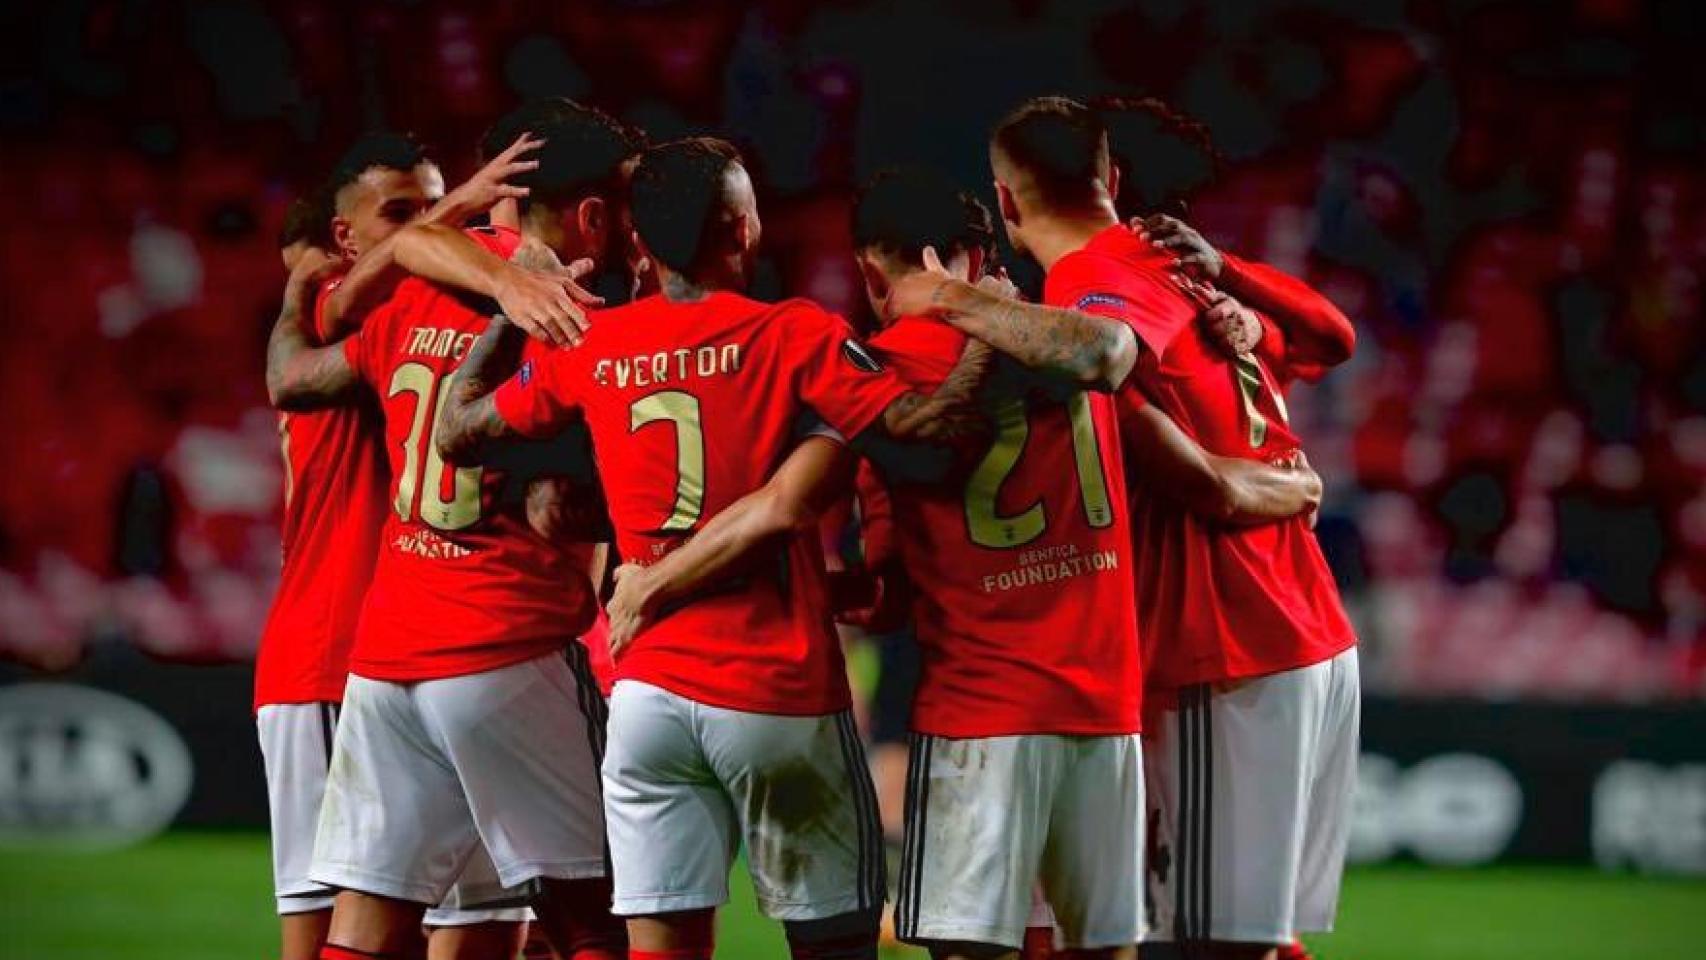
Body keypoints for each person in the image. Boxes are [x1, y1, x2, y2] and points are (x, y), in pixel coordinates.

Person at [433, 138, 978, 960]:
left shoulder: (596, 343)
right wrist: (987, 329)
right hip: (775, 687)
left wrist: (515, 307)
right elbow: (920, 439)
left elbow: (456, 431)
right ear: (743, 231)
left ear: (640, 246)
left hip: (647, 693)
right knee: (836, 941)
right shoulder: (795, 334)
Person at [897, 95, 1349, 960]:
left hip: (1233, 631)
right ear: (1111, 177)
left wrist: (957, 302)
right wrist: (1238, 284)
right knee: (1219, 929)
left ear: (1005, 199)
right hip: (1289, 618)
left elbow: (1106, 358)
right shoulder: (1184, 266)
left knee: (1209, 937)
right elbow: (1331, 337)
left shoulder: (1093, 282)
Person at [263, 101, 643, 960]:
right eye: (624, 206)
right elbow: (566, 505)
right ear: (591, 214)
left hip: (388, 658)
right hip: (506, 643)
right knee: (597, 920)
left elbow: (297, 374)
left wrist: (295, 302)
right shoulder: (577, 319)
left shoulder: (414, 295)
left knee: (364, 929)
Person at [254, 131, 544, 960]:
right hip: (327, 655)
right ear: (346, 237)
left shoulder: (422, 309)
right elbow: (293, 365)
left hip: (420, 651)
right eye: (402, 214)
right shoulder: (336, 295)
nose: (430, 227)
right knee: (331, 936)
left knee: (469, 925)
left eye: (434, 205)